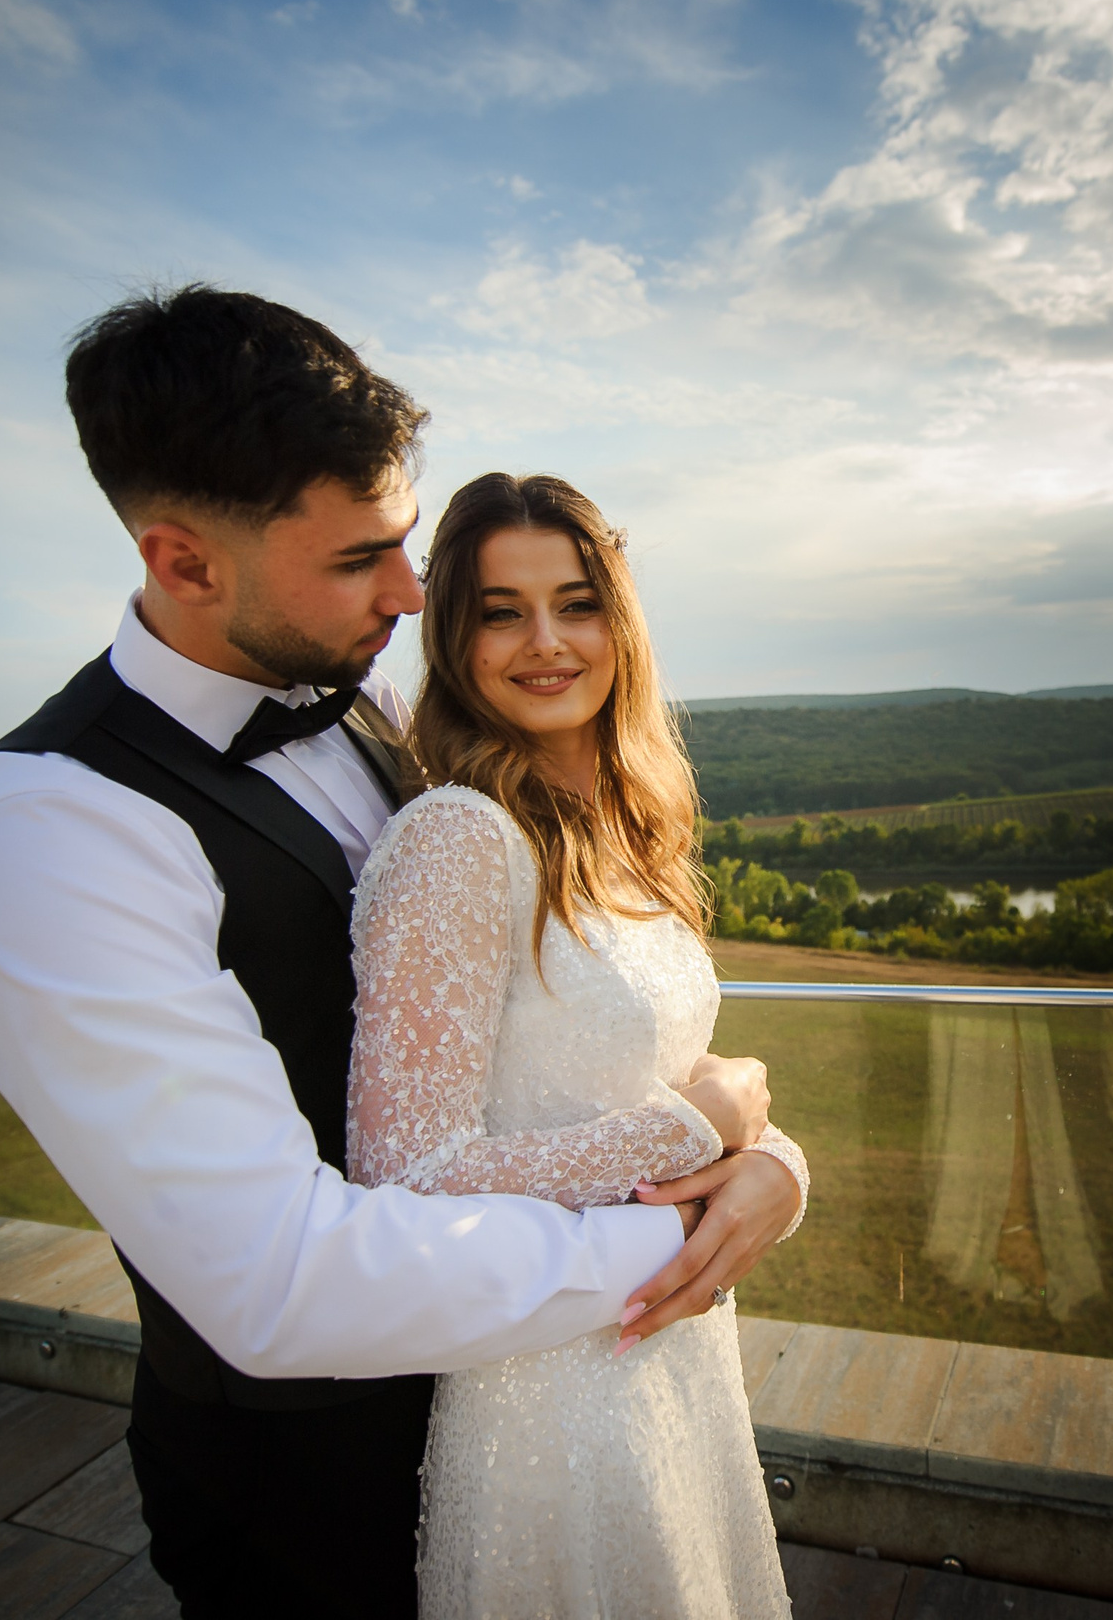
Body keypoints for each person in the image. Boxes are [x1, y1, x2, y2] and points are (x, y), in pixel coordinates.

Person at [0, 287, 801, 1615]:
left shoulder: (373, 699)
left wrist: (764, 1173)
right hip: (309, 1496)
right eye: (358, 563)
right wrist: (688, 1203)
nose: (412, 591)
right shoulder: (52, 835)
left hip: (540, 1416)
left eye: (403, 545)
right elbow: (283, 1282)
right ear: (184, 562)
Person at [351, 472, 802, 1617]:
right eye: (502, 611)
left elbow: (662, 1072)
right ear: (452, 638)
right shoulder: (458, 838)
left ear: (622, 624)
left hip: (672, 1356)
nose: (546, 642)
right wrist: (699, 1129)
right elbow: (404, 1177)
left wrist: (772, 1166)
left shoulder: (621, 826)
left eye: (577, 602)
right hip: (548, 1392)